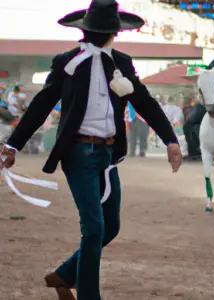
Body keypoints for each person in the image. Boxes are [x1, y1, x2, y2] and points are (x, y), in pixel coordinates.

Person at [0, 1, 182, 299]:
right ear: (115, 32)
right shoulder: (67, 62)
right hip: (77, 154)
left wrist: (170, 140)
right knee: (94, 227)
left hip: (108, 157)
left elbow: (144, 101)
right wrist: (12, 144)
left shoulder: (122, 63)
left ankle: (64, 275)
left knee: (110, 227)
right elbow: (42, 103)